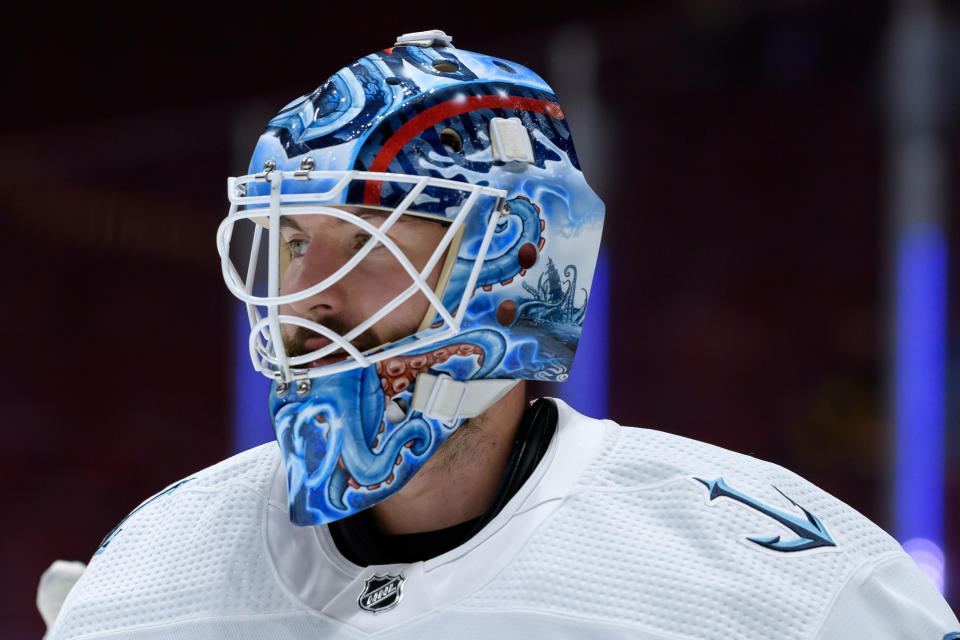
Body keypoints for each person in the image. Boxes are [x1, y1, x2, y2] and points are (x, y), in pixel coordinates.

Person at [45, 29, 958, 640]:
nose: (297, 299)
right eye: (287, 243)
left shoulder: (781, 589)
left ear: (512, 264)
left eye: (356, 246)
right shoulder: (150, 568)